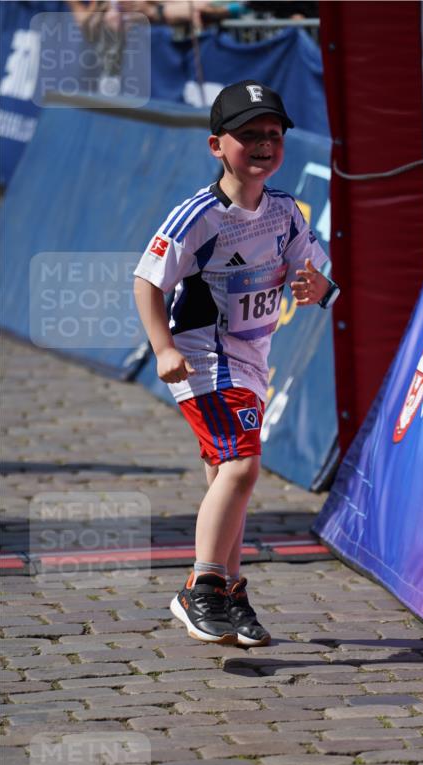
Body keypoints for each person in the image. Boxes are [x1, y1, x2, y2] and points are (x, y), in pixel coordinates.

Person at [133, 80, 339, 646]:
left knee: (228, 479)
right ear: (216, 146)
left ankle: (231, 591)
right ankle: (201, 587)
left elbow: (321, 282)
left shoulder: (286, 213)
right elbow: (146, 282)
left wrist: (319, 287)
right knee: (244, 469)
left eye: (273, 134)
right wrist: (163, 348)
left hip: (252, 362)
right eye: (249, 135)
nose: (264, 144)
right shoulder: (197, 216)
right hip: (201, 357)